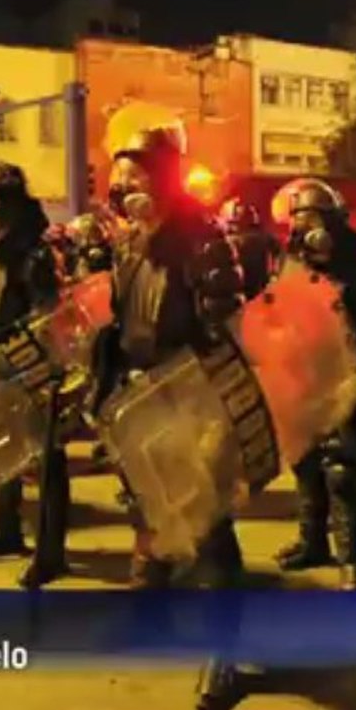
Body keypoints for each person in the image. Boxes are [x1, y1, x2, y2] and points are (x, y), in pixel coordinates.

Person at [90, 127, 247, 592]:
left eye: (136, 176)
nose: (124, 188)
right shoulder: (129, 243)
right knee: (144, 501)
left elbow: (225, 326)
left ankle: (227, 640)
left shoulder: (203, 239)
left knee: (208, 516)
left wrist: (212, 403)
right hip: (139, 394)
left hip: (190, 394)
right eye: (120, 178)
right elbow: (121, 317)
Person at [271, 179, 356, 590]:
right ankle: (312, 542)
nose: (307, 230)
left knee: (344, 473)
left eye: (315, 220)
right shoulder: (292, 270)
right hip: (303, 384)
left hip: (348, 387)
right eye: (300, 221)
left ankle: (351, 559)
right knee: (306, 466)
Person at [0, 161, 72, 588]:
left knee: (45, 461)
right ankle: (6, 528)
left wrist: (40, 363)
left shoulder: (35, 253)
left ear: (9, 202)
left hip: (28, 368)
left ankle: (50, 551)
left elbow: (50, 314)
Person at [219, 198, 279, 299]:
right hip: (245, 286)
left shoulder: (263, 237)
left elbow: (277, 254)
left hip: (252, 285)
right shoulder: (263, 237)